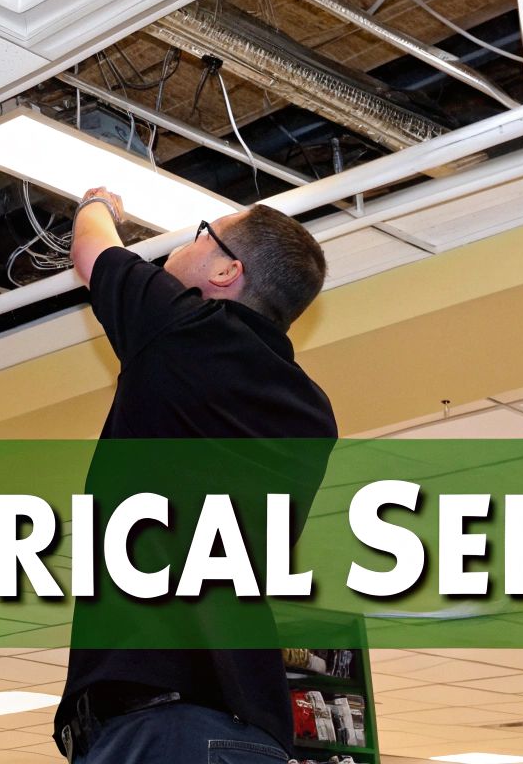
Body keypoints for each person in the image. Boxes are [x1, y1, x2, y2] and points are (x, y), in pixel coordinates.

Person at [52, 186, 338, 764]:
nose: (186, 243)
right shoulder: (313, 412)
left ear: (227, 270)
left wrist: (97, 204)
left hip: (163, 727)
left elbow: (92, 252)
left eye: (201, 232)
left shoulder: (185, 330)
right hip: (248, 730)